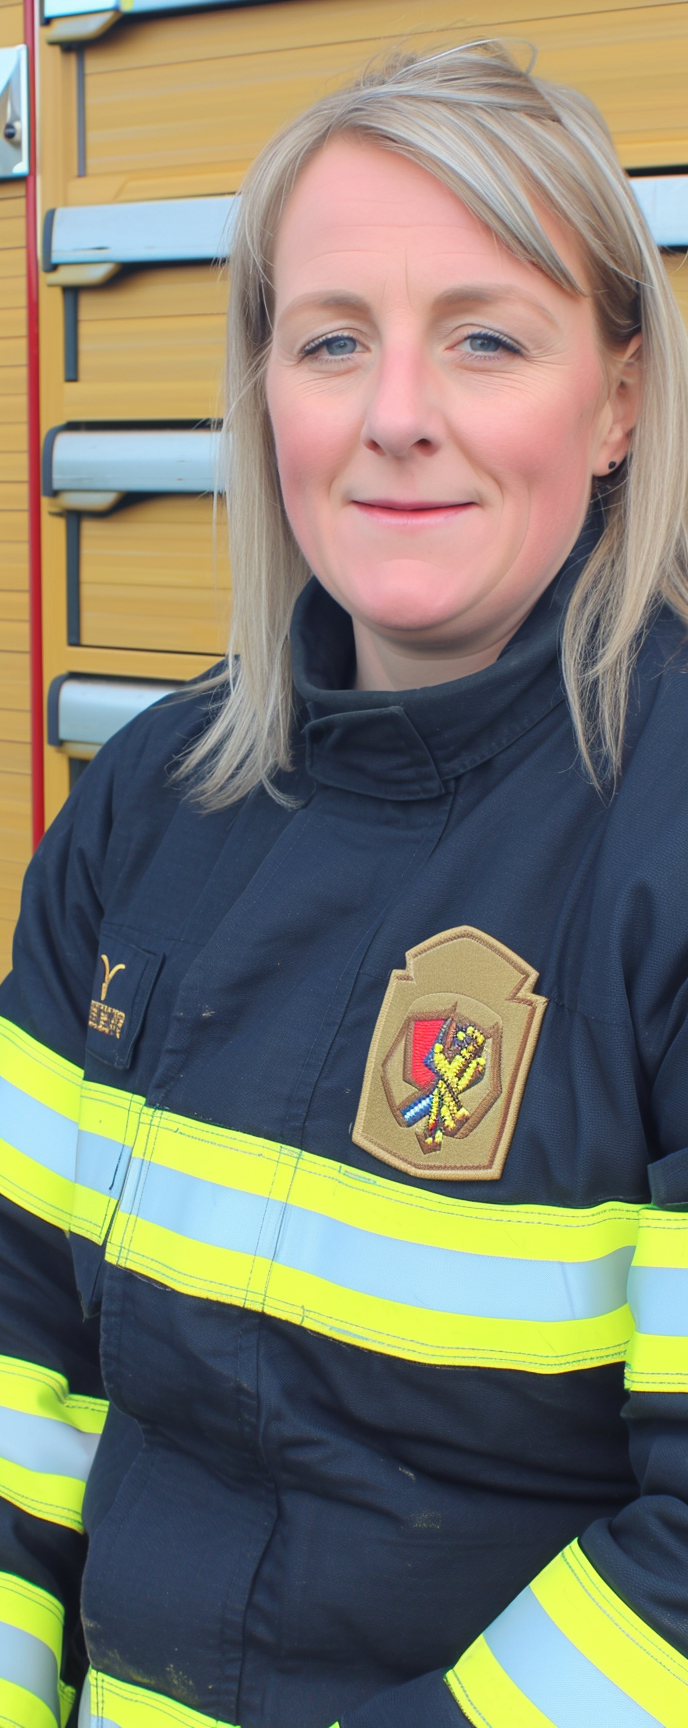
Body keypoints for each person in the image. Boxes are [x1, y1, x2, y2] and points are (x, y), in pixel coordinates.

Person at [1, 38, 688, 1728]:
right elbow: (21, 1344)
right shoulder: (140, 810)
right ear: (266, 396)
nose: (395, 415)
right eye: (331, 342)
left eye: (486, 336)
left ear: (614, 401)